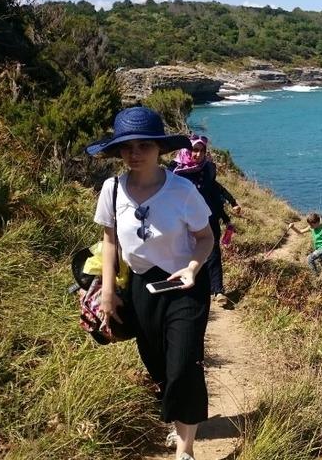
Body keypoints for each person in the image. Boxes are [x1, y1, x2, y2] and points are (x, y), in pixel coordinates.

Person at [87, 106, 214, 460]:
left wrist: (192, 267)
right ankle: (177, 421)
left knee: (184, 362)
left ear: (160, 148)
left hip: (185, 286)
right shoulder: (111, 190)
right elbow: (110, 243)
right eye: (127, 146)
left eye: (144, 145)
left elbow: (205, 238)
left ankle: (186, 449)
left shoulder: (183, 190)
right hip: (141, 287)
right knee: (157, 363)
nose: (135, 153)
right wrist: (108, 294)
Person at [169, 134, 240, 306]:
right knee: (185, 252)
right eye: (194, 150)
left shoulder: (208, 168)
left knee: (213, 252)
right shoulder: (174, 170)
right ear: (187, 150)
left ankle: (218, 291)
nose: (198, 154)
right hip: (182, 220)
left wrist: (231, 206)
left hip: (209, 217)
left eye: (202, 151)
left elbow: (215, 189)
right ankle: (186, 287)